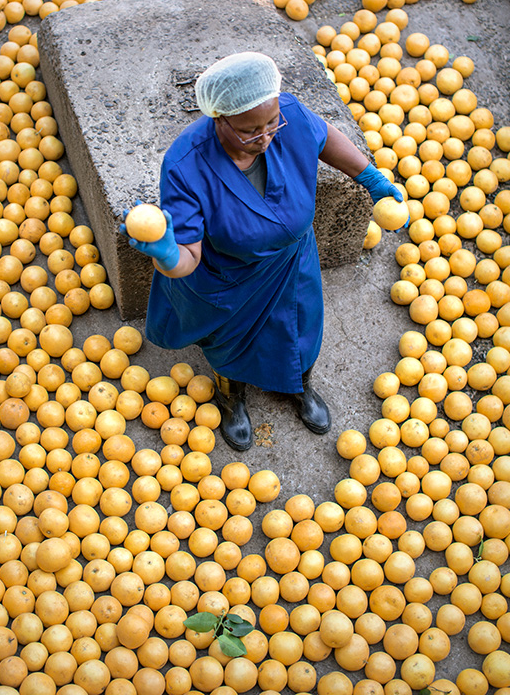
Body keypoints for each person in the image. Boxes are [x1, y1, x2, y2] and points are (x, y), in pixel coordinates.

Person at [122, 52, 405, 452]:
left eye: (272, 122)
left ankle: (299, 385)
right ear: (218, 118)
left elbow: (323, 136)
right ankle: (230, 396)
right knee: (227, 343)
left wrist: (370, 177)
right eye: (249, 130)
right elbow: (188, 257)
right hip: (227, 276)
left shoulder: (286, 114)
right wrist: (167, 253)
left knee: (300, 327)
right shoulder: (186, 166)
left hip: (291, 261)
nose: (266, 136)